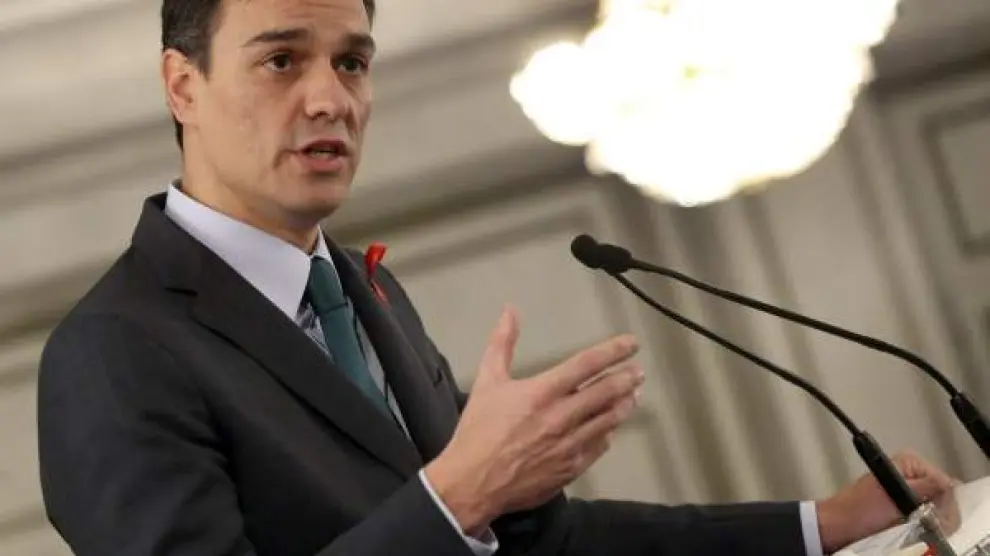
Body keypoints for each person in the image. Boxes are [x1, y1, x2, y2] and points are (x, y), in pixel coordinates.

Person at [36, 0, 957, 555]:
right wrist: (459, 495)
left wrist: (819, 524)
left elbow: (542, 542)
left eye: (352, 62)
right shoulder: (113, 353)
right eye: (281, 59)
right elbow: (464, 508)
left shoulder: (368, 293)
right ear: (182, 85)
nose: (330, 98)